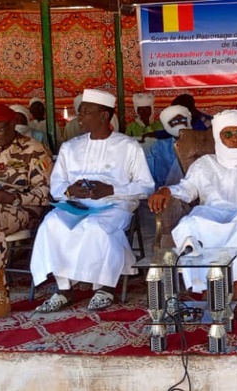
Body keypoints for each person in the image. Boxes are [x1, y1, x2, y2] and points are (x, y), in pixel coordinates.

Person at [148, 110, 237, 322]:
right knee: (190, 224)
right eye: (228, 134)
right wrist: (167, 191)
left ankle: (234, 297)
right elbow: (187, 189)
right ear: (218, 137)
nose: (236, 139)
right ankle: (209, 292)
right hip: (210, 214)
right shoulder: (205, 163)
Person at [31, 89, 154, 312]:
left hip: (115, 204)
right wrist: (71, 191)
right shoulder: (70, 147)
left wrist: (111, 189)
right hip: (76, 204)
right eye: (80, 112)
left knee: (94, 227)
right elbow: (57, 186)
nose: (79, 117)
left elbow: (146, 186)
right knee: (52, 224)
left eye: (86, 112)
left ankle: (104, 287)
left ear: (104, 116)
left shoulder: (128, 146)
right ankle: (64, 288)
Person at [0, 104, 52, 321]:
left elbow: (47, 191)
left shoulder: (34, 149)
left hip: (23, 209)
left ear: (13, 123)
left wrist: (14, 197)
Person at [149, 105, 191, 188]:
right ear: (167, 126)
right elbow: (148, 176)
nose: (179, 125)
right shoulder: (157, 147)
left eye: (183, 120)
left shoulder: (200, 144)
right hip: (161, 193)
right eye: (174, 122)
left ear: (188, 121)